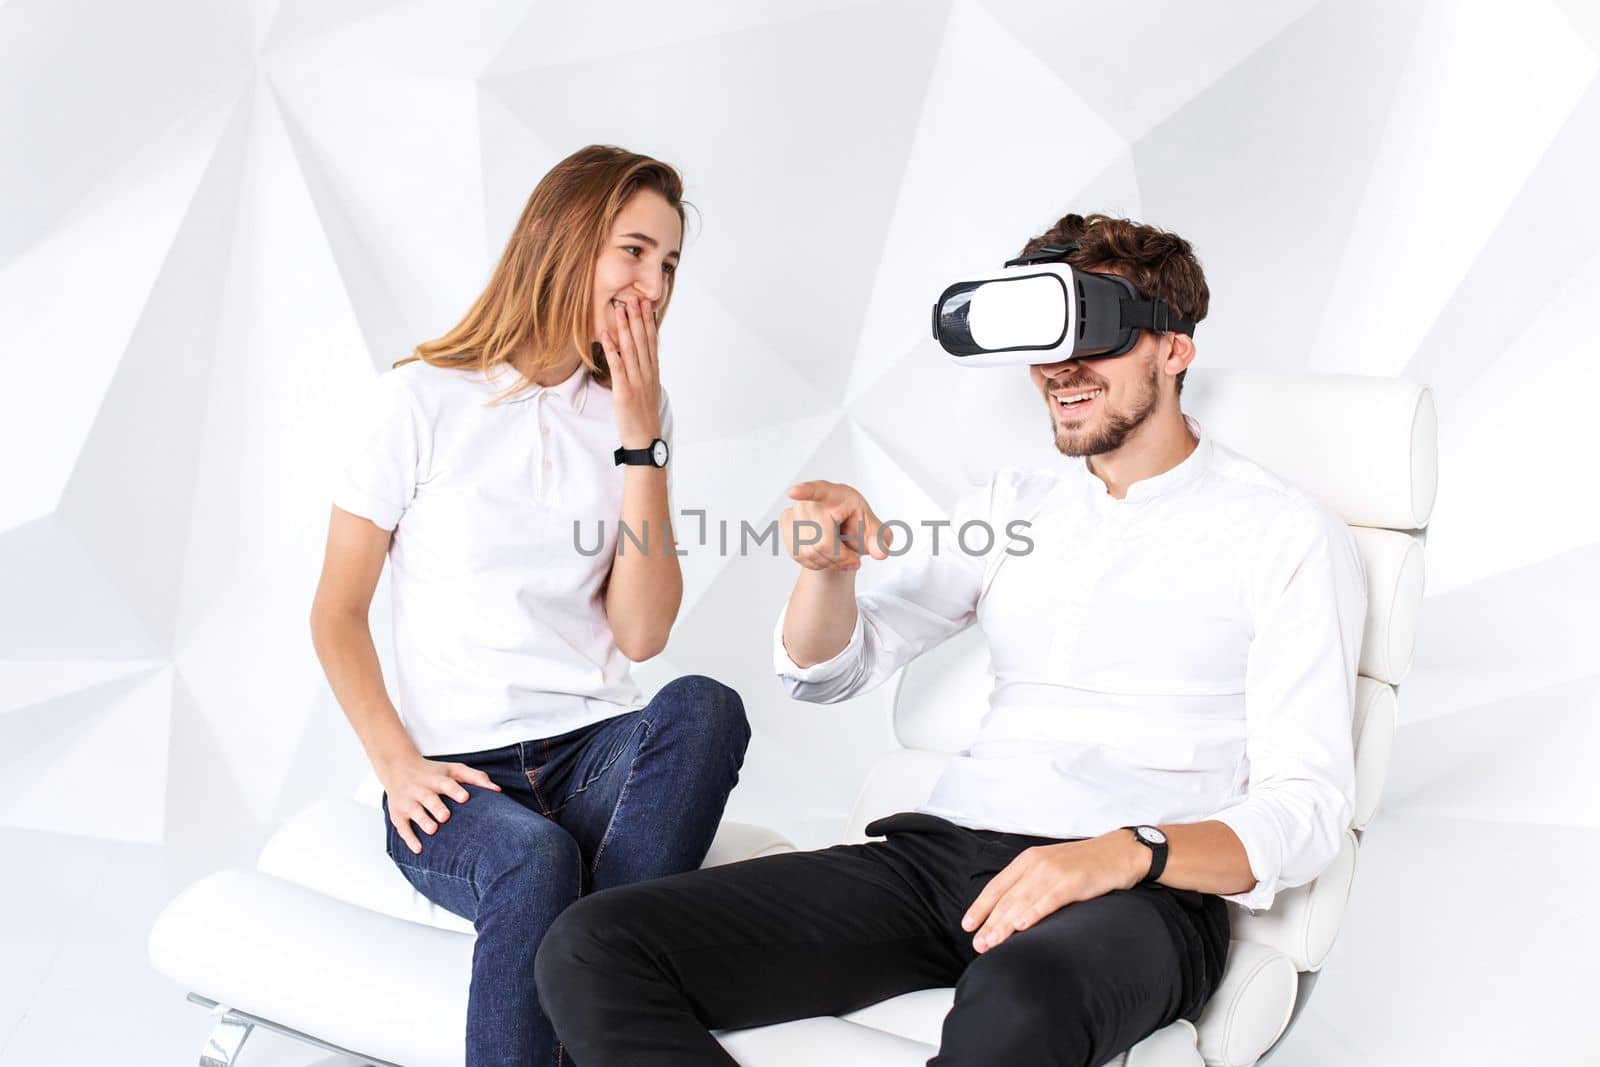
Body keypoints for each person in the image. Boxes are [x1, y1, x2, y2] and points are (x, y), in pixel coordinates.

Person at [532, 213, 1366, 1066]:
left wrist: (1121, 854)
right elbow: (826, 672)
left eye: (1098, 337)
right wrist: (829, 573)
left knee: (1017, 1003)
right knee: (592, 942)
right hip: (944, 859)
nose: (1063, 369)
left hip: (1135, 893)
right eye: (1050, 340)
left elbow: (1305, 815)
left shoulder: (1283, 534)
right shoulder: (1015, 503)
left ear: (1174, 349)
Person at [308, 145, 751, 1067]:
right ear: (566, 241)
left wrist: (640, 445)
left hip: (588, 752)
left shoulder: (641, 413)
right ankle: (616, 1005)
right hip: (460, 779)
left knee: (706, 704)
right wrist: (399, 767)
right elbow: (336, 612)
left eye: (669, 264)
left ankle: (606, 965)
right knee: (536, 861)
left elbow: (644, 631)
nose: (654, 286)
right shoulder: (421, 399)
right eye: (634, 251)